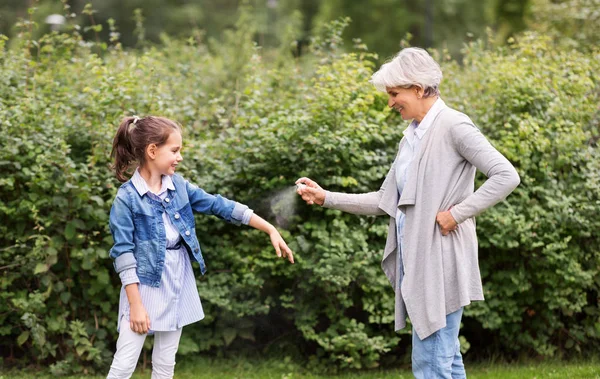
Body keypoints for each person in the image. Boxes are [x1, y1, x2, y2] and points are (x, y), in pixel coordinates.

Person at [296, 47, 519, 378]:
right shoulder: (412, 137)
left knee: (431, 363)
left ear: (418, 88)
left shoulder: (454, 125)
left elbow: (506, 175)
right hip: (418, 259)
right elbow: (386, 199)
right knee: (445, 358)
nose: (390, 103)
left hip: (439, 259)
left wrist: (457, 213)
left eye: (394, 94)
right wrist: (326, 197)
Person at [106, 116, 294, 379]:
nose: (179, 157)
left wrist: (269, 228)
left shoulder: (178, 186)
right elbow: (124, 254)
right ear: (152, 151)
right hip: (142, 287)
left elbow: (221, 206)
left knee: (165, 363)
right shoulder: (127, 199)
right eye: (174, 150)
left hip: (176, 280)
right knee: (124, 364)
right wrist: (136, 305)